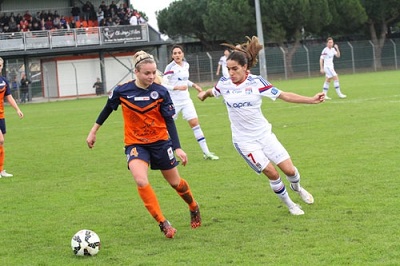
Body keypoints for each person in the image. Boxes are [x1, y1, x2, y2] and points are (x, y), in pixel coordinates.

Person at [198, 36, 325, 215]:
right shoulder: (224, 83)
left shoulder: (257, 82)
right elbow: (214, 91)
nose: (231, 73)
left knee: (290, 170)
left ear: (245, 67)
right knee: (273, 174)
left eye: (234, 69)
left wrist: (311, 100)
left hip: (265, 135)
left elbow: (283, 95)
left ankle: (297, 188)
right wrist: (204, 94)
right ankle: (291, 205)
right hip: (244, 141)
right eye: (228, 69)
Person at [86, 51, 201, 238]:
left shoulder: (161, 92)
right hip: (135, 144)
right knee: (140, 179)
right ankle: (163, 223)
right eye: (147, 73)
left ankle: (193, 206)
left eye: (154, 72)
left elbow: (169, 121)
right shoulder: (122, 91)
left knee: (176, 183)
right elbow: (107, 109)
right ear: (136, 72)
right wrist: (93, 131)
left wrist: (177, 146)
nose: (151, 76)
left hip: (161, 143)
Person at [163, 44, 219, 160]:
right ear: (172, 56)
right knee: (165, 128)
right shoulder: (170, 67)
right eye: (175, 53)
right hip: (173, 102)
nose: (177, 55)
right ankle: (167, 154)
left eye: (179, 52)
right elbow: (163, 83)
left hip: (186, 100)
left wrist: (194, 85)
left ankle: (206, 153)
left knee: (195, 124)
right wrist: (176, 88)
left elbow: (184, 80)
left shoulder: (186, 65)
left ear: (183, 54)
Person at [0, 57, 24, 178]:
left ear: (2, 66)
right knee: (1, 140)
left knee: (1, 144)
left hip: (1, 116)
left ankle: (1, 170)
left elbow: (9, 97)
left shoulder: (4, 81)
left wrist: (17, 109)